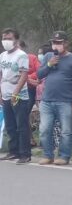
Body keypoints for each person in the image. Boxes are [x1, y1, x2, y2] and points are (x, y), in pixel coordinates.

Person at [36, 31, 72, 165]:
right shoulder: (49, 56)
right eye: (54, 43)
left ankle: (64, 156)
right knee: (44, 129)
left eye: (59, 43)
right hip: (47, 100)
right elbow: (39, 74)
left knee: (66, 131)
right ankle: (47, 155)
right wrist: (49, 64)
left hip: (65, 100)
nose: (56, 46)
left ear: (66, 44)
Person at [0, 28, 32, 164]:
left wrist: (15, 92)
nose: (6, 41)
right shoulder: (2, 55)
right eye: (4, 38)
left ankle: (25, 153)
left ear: (16, 40)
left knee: (21, 125)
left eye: (9, 38)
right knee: (10, 125)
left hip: (19, 95)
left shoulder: (21, 55)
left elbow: (24, 75)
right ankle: (13, 151)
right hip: (5, 93)